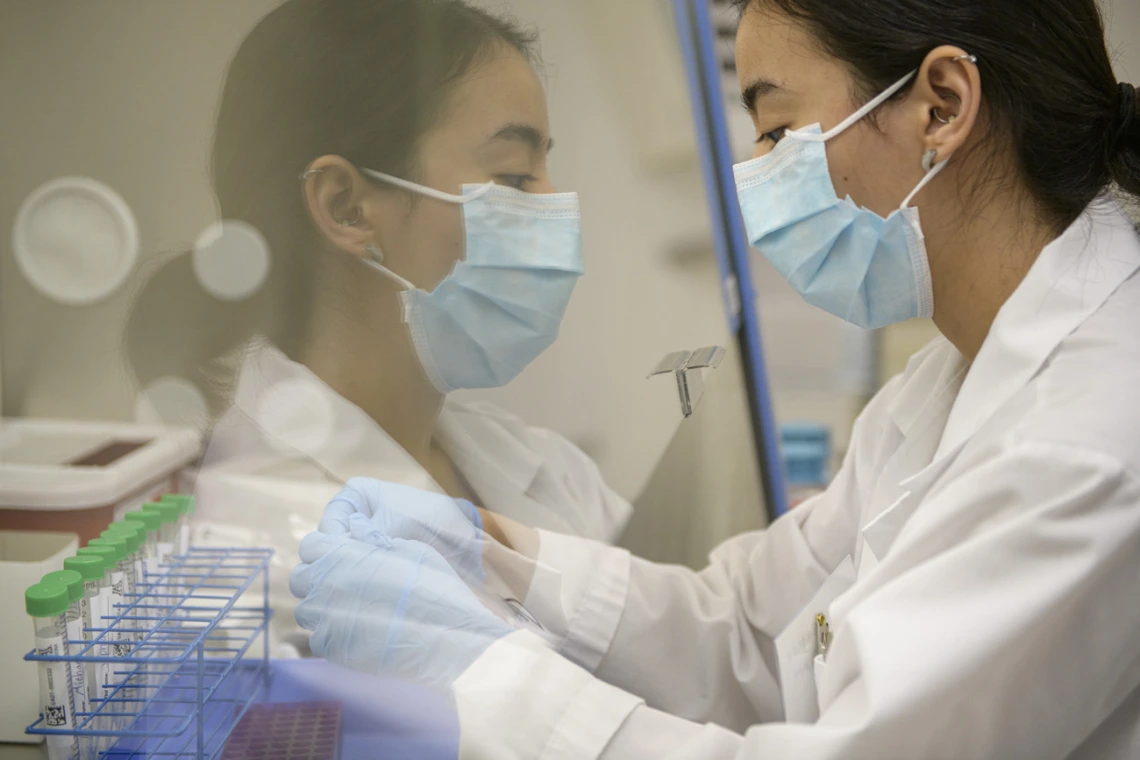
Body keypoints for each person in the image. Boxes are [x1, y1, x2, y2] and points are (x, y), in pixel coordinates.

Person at [289, 0, 1140, 756]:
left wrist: (490, 681)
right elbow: (754, 627)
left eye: (775, 129)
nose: (759, 175)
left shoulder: (1084, 439)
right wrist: (498, 552)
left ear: (942, 105)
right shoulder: (951, 377)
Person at [125, 0, 632, 656]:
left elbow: (699, 633)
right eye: (512, 176)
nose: (556, 211)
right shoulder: (259, 548)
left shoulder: (539, 467)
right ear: (346, 207)